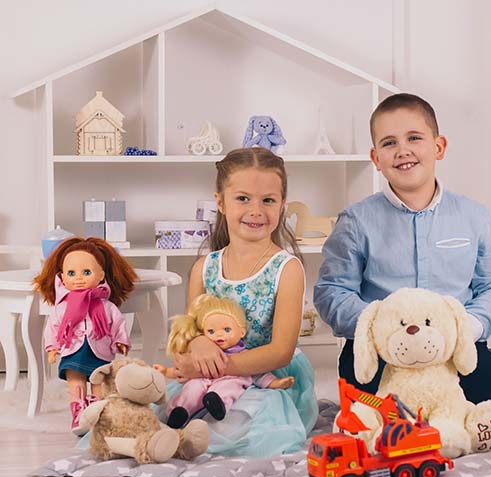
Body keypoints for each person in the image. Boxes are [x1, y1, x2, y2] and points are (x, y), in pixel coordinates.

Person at [314, 93, 491, 417]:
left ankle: (454, 421)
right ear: (375, 157)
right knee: (372, 419)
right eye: (389, 143)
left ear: (438, 147)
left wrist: (462, 330)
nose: (403, 151)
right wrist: (381, 331)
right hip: (381, 356)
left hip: (455, 351)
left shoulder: (477, 218)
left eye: (414, 138)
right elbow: (332, 292)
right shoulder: (356, 222)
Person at [161, 146, 317, 456]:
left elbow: (280, 351)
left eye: (268, 200)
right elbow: (188, 331)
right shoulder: (204, 268)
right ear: (219, 201)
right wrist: (197, 346)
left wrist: (215, 369)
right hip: (211, 372)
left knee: (246, 423)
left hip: (266, 374)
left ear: (282, 204)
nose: (256, 210)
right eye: (243, 198)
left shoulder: (286, 269)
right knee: (175, 411)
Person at [33, 237, 137, 435]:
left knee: (99, 385)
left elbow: (117, 323)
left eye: (86, 272)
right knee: (76, 383)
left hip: (100, 351)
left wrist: (121, 341)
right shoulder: (62, 307)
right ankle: (79, 414)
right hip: (72, 349)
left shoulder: (106, 306)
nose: (78, 278)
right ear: (62, 277)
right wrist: (52, 347)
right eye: (71, 273)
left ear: (101, 276)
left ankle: (99, 415)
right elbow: (53, 327)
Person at [154, 294, 294, 429]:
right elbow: (186, 370)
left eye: (226, 330)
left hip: (229, 380)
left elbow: (259, 374)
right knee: (192, 388)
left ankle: (218, 404)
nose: (219, 334)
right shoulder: (205, 353)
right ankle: (180, 411)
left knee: (229, 387)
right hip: (202, 379)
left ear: (241, 332)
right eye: (211, 331)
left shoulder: (244, 355)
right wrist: (167, 371)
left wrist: (276, 383)